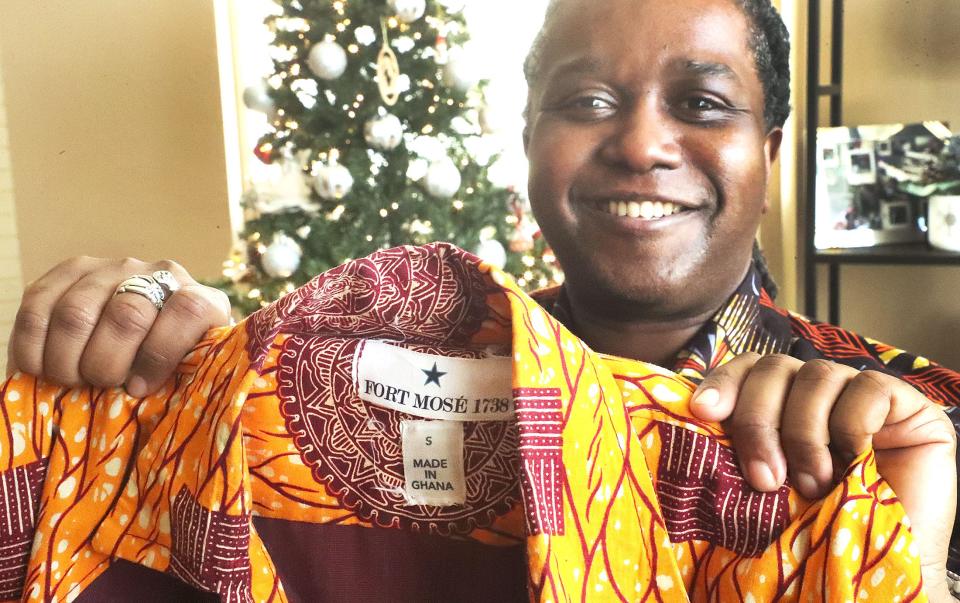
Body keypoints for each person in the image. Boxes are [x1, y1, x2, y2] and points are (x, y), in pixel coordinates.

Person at [4, 0, 958, 599]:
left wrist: (903, 564)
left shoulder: (918, 435)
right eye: (584, 100)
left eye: (701, 103)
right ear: (530, 139)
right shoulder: (342, 385)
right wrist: (176, 371)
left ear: (774, 149)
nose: (637, 144)